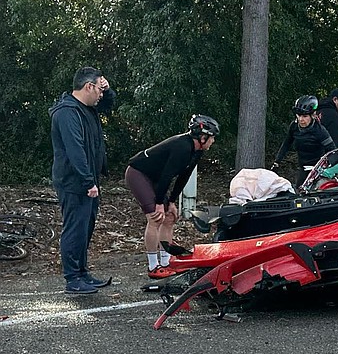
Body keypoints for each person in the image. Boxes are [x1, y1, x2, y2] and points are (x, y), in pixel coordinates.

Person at [125, 114, 220, 278]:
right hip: (138, 173)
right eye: (212, 138)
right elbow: (167, 176)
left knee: (170, 217)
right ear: (202, 137)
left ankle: (166, 261)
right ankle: (153, 266)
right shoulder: (182, 147)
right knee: (155, 217)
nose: (213, 141)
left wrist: (173, 202)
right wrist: (160, 202)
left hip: (154, 178)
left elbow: (183, 176)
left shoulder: (196, 151)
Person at [49, 66, 116, 294]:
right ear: (88, 86)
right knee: (75, 228)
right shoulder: (67, 112)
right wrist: (88, 182)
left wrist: (109, 90)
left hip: (89, 180)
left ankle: (82, 272)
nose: (100, 94)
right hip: (74, 181)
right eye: (98, 88)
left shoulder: (87, 109)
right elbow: (74, 149)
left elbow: (108, 106)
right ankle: (72, 277)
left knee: (86, 227)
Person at [273, 95, 336, 185]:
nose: (301, 119)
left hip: (318, 170)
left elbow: (332, 150)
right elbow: (286, 143)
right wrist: (277, 162)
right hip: (303, 167)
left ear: (313, 115)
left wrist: (330, 169)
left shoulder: (320, 131)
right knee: (299, 191)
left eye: (305, 116)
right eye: (298, 115)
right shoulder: (294, 126)